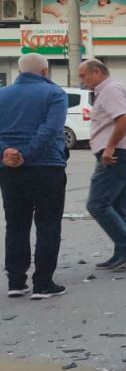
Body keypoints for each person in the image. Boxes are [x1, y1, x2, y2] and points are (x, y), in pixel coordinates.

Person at [0, 53, 68, 299]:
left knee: (16, 225)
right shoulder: (54, 94)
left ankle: (16, 282)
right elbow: (51, 129)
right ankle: (43, 283)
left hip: (10, 171)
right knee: (48, 224)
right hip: (47, 167)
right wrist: (26, 154)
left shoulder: (2, 94)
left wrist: (7, 152)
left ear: (19, 71)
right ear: (45, 72)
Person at [79, 60, 126, 270]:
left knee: (96, 204)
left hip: (117, 156)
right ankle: (123, 254)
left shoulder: (109, 90)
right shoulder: (114, 88)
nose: (83, 81)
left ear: (97, 72)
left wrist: (109, 147)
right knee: (118, 206)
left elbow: (124, 118)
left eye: (84, 76)